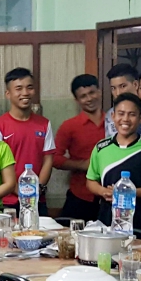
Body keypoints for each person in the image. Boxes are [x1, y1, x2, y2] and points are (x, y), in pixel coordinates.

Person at [86, 93, 141, 235]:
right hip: (106, 221)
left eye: (132, 114)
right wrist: (103, 191)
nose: (125, 119)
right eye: (121, 113)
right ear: (113, 117)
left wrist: (131, 193)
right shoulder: (101, 147)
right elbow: (91, 180)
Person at [0, 68, 55, 215]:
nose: (25, 93)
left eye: (29, 87)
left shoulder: (44, 124)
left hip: (37, 201)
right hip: (7, 202)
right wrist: (18, 190)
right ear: (8, 94)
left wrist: (37, 189)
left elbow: (48, 159)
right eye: (18, 88)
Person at [54, 74, 105, 221]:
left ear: (99, 92)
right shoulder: (69, 126)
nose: (89, 99)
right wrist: (82, 165)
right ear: (76, 100)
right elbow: (55, 158)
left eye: (92, 93)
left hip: (110, 196)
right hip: (80, 196)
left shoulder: (114, 122)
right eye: (83, 96)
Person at [104, 64, 138, 138]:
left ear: (135, 84)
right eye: (113, 88)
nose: (118, 93)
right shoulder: (111, 115)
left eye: (122, 86)